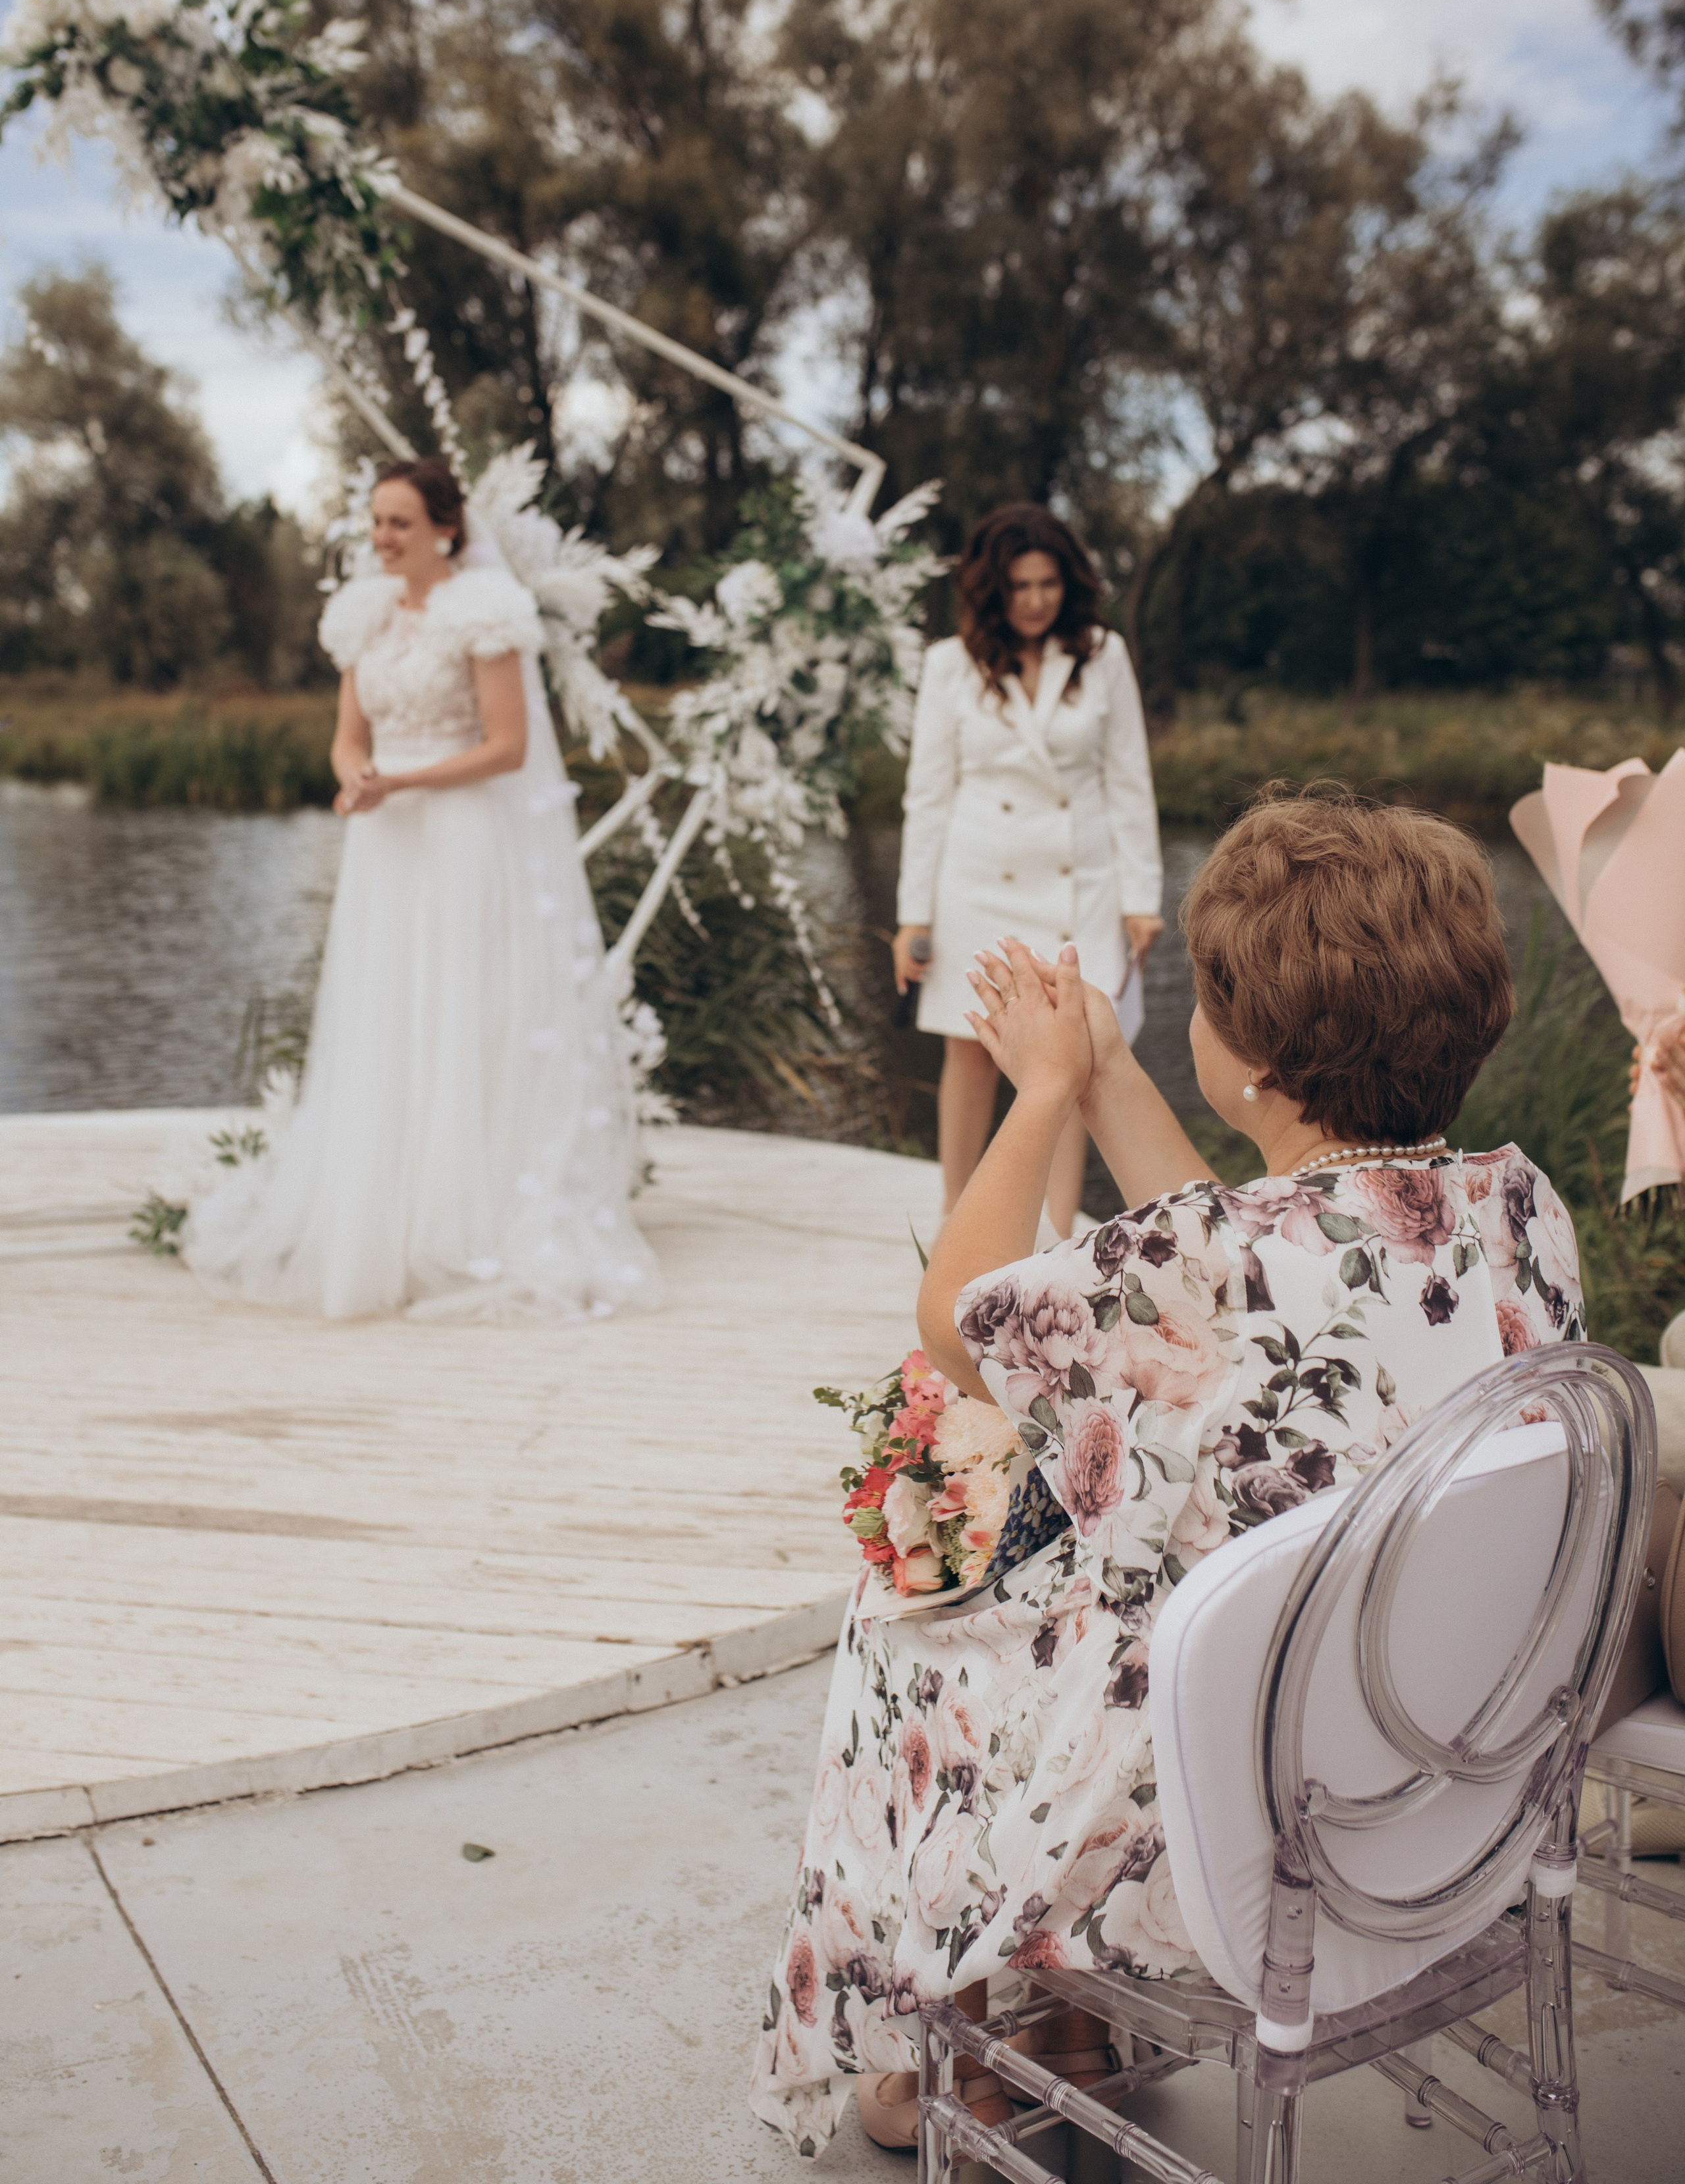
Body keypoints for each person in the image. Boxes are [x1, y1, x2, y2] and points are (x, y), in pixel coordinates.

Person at [751, 790, 1584, 2159]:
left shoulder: (1210, 1265)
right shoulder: (1509, 1205)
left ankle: (964, 2003)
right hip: (1448, 1767)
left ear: (1248, 1062)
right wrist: (1111, 1071)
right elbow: (1242, 1244)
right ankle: (1061, 2020)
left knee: (914, 1612)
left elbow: (956, 1315)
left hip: (1235, 1812)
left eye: (1199, 1001)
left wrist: (1040, 1093)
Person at [184, 457, 656, 1324]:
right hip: (385, 844)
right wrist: (356, 774)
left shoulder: (487, 615)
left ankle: (463, 1222)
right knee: (385, 1011)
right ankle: (379, 1220)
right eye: (375, 522)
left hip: (460, 835)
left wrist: (403, 783)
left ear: (446, 528)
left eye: (398, 522)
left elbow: (507, 748)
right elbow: (346, 735)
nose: (381, 537)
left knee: (459, 1012)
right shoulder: (363, 617)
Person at [893, 504, 1162, 1239]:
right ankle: (955, 1226)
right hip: (975, 879)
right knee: (969, 1050)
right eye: (1019, 585)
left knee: (1068, 1059)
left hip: (1079, 887)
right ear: (992, 589)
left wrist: (1142, 899)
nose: (1036, 599)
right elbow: (928, 793)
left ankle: (1060, 1233)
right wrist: (913, 917)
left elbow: (1127, 781)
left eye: (1047, 583)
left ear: (1067, 584)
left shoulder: (1101, 655)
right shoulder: (950, 663)